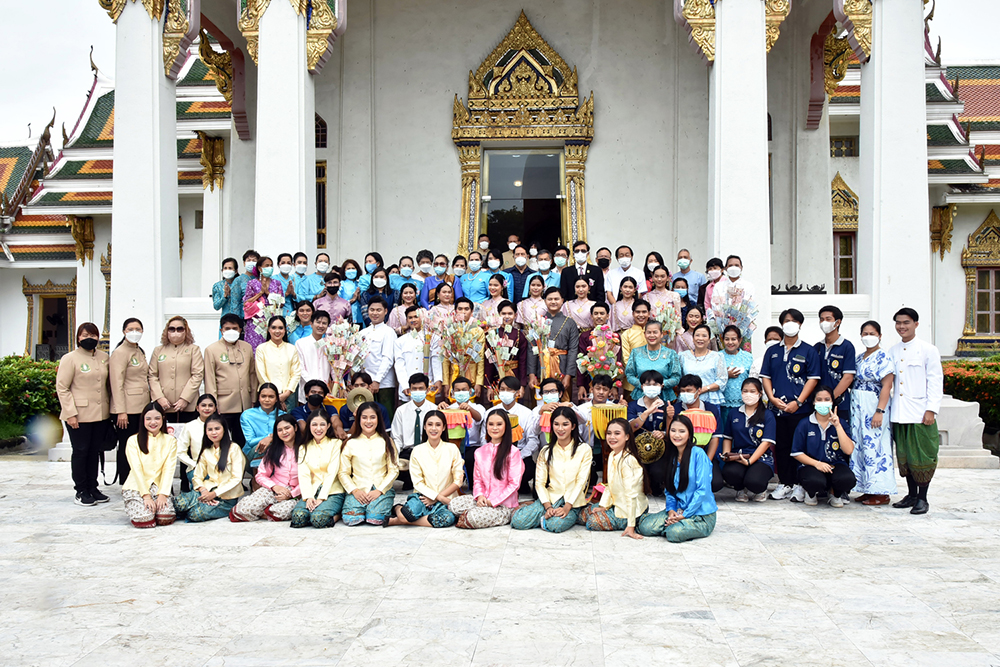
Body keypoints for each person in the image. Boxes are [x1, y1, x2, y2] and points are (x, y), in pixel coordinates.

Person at [761, 308, 821, 502]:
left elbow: (812, 379)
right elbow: (766, 377)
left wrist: (799, 401)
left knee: (801, 447)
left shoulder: (809, 351)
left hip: (800, 410)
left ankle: (800, 484)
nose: (790, 323)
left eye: (794, 321)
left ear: (800, 325)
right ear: (781, 324)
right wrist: (771, 398)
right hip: (777, 410)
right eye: (787, 320)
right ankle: (785, 483)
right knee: (782, 446)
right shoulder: (772, 351)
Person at [889, 307, 943, 515]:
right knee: (904, 457)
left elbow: (935, 381)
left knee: (922, 456)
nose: (902, 327)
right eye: (898, 323)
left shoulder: (928, 350)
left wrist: (931, 410)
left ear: (916, 324)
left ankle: (923, 498)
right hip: (899, 413)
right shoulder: (893, 350)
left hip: (920, 414)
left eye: (906, 322)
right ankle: (911, 494)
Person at [56, 322, 112, 506]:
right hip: (78, 415)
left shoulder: (104, 357)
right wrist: (70, 413)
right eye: (85, 335)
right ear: (78, 337)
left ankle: (92, 487)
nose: (90, 338)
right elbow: (62, 388)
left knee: (94, 451)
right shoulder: (70, 358)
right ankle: (81, 490)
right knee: (81, 451)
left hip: (100, 414)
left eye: (93, 335)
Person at [511, 406, 592, 533]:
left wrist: (567, 507)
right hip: (550, 498)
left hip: (572, 502)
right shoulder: (546, 451)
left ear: (573, 426)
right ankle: (547, 516)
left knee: (556, 525)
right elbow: (539, 483)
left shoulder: (584, 449)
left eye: (565, 424)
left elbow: (581, 481)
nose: (560, 429)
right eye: (556, 424)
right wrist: (548, 507)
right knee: (518, 521)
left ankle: (570, 515)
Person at [638, 415, 718, 542]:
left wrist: (685, 515)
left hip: (701, 515)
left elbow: (702, 490)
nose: (677, 435)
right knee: (645, 527)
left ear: (689, 434)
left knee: (673, 533)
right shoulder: (672, 456)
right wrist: (671, 511)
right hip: (678, 511)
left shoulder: (698, 454)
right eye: (673, 430)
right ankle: (673, 524)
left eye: (682, 431)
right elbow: (669, 491)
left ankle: (673, 526)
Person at [449, 409, 525, 529]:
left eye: (499, 424)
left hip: (503, 505)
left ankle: (470, 515)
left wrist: (493, 501)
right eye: (491, 424)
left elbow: (514, 484)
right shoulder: (479, 452)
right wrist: (480, 496)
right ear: (486, 427)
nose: (494, 428)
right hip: (484, 499)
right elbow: (477, 480)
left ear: (506, 426)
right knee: (454, 505)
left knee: (473, 517)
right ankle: (470, 513)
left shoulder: (513, 452)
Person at [389, 410, 464, 528]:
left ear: (444, 427)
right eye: (430, 424)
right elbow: (418, 482)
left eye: (438, 425)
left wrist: (438, 498)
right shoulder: (417, 450)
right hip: (423, 497)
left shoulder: (452, 449)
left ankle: (397, 521)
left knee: (447, 519)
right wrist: (434, 496)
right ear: (424, 427)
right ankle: (398, 508)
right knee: (406, 514)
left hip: (447, 499)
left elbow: (458, 480)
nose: (433, 428)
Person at [850, 320, 897, 505]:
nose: (868, 337)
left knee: (876, 446)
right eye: (865, 333)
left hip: (873, 403)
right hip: (857, 406)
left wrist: (880, 411)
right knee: (860, 445)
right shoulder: (859, 357)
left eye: (872, 333)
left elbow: (887, 385)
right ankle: (867, 488)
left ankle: (881, 491)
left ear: (879, 336)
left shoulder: (883, 357)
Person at [578, 418, 648, 539]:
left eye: (617, 433)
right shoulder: (612, 454)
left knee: (592, 522)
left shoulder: (629, 460)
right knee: (582, 515)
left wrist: (631, 525)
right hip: (616, 505)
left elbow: (631, 495)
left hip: (630, 512)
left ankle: (635, 523)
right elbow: (609, 485)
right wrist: (604, 506)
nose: (612, 437)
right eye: (609, 433)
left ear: (627, 437)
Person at [172, 414, 246, 522]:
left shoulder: (234, 449)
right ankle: (197, 505)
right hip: (206, 492)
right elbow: (197, 476)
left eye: (217, 429)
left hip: (226, 498)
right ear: (206, 432)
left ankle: (200, 507)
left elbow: (237, 478)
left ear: (224, 430)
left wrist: (214, 494)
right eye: (210, 429)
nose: (214, 432)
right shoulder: (206, 451)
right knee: (178, 504)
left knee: (195, 514)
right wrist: (203, 491)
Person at [791, 386, 856, 507]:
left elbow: (848, 450)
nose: (823, 403)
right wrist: (817, 464)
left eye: (827, 399)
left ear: (832, 401)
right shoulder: (805, 423)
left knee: (847, 479)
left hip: (835, 464)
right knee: (814, 481)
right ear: (814, 402)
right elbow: (796, 452)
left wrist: (837, 426)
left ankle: (835, 493)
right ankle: (810, 493)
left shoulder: (841, 423)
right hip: (811, 465)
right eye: (819, 399)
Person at [231, 414, 301, 521]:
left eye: (287, 428)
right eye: (280, 430)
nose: (284, 432)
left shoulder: (306, 449)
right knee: (242, 509)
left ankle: (263, 511)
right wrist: (274, 487)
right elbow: (261, 475)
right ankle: (266, 511)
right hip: (274, 487)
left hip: (296, 493)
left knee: (284, 511)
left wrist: (292, 494)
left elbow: (312, 478)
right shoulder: (273, 450)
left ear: (295, 428)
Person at [339, 402, 400, 526]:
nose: (368, 421)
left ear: (378, 419)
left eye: (372, 417)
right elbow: (343, 472)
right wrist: (354, 491)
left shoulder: (387, 441)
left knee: (375, 518)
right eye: (364, 417)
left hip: (381, 487)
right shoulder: (350, 443)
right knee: (351, 519)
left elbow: (394, 470)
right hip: (357, 489)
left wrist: (379, 490)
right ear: (358, 419)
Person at [203, 314, 258, 445]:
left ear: (241, 329)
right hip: (223, 404)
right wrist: (213, 404)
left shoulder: (247, 347)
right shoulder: (211, 349)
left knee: (243, 441)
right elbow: (210, 378)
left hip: (245, 404)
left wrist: (253, 399)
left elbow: (252, 374)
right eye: (227, 328)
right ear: (221, 330)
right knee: (223, 441)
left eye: (235, 328)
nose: (231, 331)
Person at [121, 403, 177, 528]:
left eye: (157, 418)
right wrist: (146, 496)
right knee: (144, 520)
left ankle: (159, 506)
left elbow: (169, 468)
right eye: (148, 419)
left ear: (163, 418)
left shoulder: (170, 441)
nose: (153, 422)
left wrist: (162, 494)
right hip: (136, 486)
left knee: (164, 517)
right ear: (143, 420)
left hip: (158, 486)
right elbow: (136, 469)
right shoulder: (133, 440)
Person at [110, 318, 151, 484]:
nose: (135, 332)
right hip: (127, 409)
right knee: (127, 446)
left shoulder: (139, 350)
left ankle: (138, 479)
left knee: (139, 445)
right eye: (130, 329)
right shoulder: (120, 352)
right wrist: (121, 410)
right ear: (124, 331)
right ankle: (125, 480)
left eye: (138, 329)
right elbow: (116, 382)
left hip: (141, 407)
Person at [721, 378, 776, 502]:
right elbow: (728, 438)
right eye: (745, 391)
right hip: (739, 456)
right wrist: (727, 454)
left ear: (760, 394)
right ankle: (740, 489)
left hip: (761, 458)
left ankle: (760, 490)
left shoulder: (767, 415)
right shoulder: (734, 413)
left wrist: (750, 461)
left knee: (754, 482)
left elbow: (766, 443)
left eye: (752, 391)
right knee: (729, 472)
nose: (748, 394)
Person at [290, 410, 346, 528]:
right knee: (298, 517)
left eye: (322, 424)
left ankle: (338, 514)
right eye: (314, 424)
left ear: (328, 426)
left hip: (333, 491)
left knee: (318, 519)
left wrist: (321, 497)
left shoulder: (336, 444)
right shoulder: (303, 447)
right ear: (309, 426)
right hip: (312, 490)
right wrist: (308, 496)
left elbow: (332, 472)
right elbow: (304, 474)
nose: (318, 429)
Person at [487, 376, 540, 493]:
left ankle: (521, 485)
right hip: (495, 453)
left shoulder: (526, 413)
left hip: (519, 452)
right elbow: (483, 437)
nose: (505, 392)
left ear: (517, 393)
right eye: (502, 389)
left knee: (529, 468)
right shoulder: (490, 412)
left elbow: (533, 440)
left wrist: (519, 455)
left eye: (509, 390)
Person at [672, 374, 724, 493]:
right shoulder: (676, 409)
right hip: (681, 456)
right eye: (683, 391)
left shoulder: (711, 409)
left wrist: (706, 462)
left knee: (715, 483)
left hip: (704, 453)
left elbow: (715, 438)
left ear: (699, 390)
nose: (686, 394)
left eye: (689, 390)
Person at [148, 316, 204, 424]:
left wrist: (185, 399)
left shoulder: (194, 349)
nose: (175, 332)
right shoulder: (158, 350)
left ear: (185, 331)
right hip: (164, 405)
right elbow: (152, 375)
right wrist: (159, 398)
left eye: (179, 329)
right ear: (167, 331)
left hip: (188, 405)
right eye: (172, 329)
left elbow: (197, 374)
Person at [627, 370, 672, 495]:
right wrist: (647, 412)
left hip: (659, 451)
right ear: (642, 386)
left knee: (657, 474)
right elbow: (632, 427)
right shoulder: (633, 406)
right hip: (637, 450)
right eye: (647, 384)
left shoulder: (667, 406)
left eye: (656, 384)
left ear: (662, 386)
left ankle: (658, 485)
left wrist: (663, 434)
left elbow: (672, 432)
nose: (651, 387)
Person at [815, 305, 856, 437]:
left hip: (840, 404)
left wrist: (830, 399)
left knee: (840, 437)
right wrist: (821, 401)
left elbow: (848, 377)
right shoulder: (817, 347)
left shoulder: (846, 347)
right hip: (819, 404)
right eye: (821, 319)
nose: (824, 322)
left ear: (837, 322)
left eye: (828, 319)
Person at [390, 372, 434, 490]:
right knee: (403, 467)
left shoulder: (434, 410)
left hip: (428, 450)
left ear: (427, 390)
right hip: (408, 452)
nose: (417, 391)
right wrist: (394, 457)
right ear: (409, 390)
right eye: (414, 389)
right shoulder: (401, 411)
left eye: (421, 388)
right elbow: (396, 437)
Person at [437, 375, 488, 476]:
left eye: (464, 390)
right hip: (452, 446)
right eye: (458, 390)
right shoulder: (449, 408)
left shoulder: (478, 407)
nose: (461, 393)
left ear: (470, 392)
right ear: (453, 393)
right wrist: (440, 411)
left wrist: (469, 409)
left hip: (472, 446)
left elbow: (479, 418)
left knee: (472, 460)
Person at [486, 301, 535, 401]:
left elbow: (522, 361)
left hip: (514, 375)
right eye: (503, 314)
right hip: (496, 377)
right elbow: (489, 363)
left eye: (510, 313)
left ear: (515, 315)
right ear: (498, 314)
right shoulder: (492, 334)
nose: (506, 316)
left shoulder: (519, 335)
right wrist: (489, 386)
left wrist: (522, 385)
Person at [394, 306, 444, 402]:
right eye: (410, 317)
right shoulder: (400, 341)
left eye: (416, 317)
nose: (413, 320)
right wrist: (404, 385)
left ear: (422, 317)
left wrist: (438, 380)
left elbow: (436, 361)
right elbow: (399, 365)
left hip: (428, 386)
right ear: (407, 320)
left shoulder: (433, 338)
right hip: (408, 388)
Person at [359, 296, 398, 419]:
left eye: (378, 310)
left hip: (384, 384)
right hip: (365, 384)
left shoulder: (389, 332)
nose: (375, 313)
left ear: (385, 311)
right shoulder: (362, 333)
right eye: (372, 310)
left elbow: (388, 359)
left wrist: (377, 380)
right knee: (366, 416)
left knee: (385, 416)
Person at [538, 287, 579, 401]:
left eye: (556, 299)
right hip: (541, 366)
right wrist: (531, 374)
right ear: (545, 301)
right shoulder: (538, 321)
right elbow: (532, 349)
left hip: (562, 367)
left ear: (562, 301)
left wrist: (568, 375)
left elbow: (573, 350)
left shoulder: (570, 323)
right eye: (549, 299)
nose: (553, 302)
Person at [625, 320, 681, 403]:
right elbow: (629, 374)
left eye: (655, 332)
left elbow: (676, 377)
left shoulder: (670, 353)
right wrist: (644, 386)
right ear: (644, 334)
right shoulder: (636, 352)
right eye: (649, 332)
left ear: (662, 334)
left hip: (664, 396)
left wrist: (659, 385)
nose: (652, 335)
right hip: (641, 394)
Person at [254, 315, 302, 410]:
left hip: (289, 395)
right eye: (273, 327)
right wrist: (274, 395)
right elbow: (261, 374)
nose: (277, 331)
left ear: (285, 330)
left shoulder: (292, 348)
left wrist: (286, 394)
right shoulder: (261, 349)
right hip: (267, 396)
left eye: (280, 328)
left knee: (287, 423)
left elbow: (296, 373)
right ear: (268, 330)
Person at [174, 394, 218, 493]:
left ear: (215, 408)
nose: (207, 408)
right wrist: (194, 464)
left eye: (210, 405)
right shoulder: (190, 426)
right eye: (203, 405)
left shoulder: (221, 426)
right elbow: (180, 451)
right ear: (197, 408)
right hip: (197, 470)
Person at [442, 298, 485, 398]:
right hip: (454, 374)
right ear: (455, 311)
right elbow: (446, 358)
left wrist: (479, 382)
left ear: (472, 311)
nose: (463, 312)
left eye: (466, 309)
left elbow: (480, 358)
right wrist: (445, 382)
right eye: (460, 309)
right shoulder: (449, 330)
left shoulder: (478, 331)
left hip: (472, 374)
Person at [679, 324, 728, 408]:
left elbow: (722, 381)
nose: (700, 338)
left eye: (704, 336)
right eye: (697, 335)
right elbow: (679, 378)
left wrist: (703, 389)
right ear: (693, 339)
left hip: (710, 399)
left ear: (709, 340)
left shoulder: (717, 356)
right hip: (688, 400)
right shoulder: (683, 356)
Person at [243, 256, 284, 351]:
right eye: (267, 265)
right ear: (260, 268)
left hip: (272, 320)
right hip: (256, 322)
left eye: (271, 265)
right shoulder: (252, 283)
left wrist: (267, 293)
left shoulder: (277, 283)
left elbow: (281, 303)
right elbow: (247, 302)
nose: (269, 268)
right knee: (255, 349)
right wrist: (261, 293)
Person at [240, 383, 286, 470]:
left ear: (276, 399)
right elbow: (250, 441)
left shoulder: (283, 416)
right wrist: (270, 437)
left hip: (276, 455)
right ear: (259, 398)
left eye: (271, 397)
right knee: (262, 446)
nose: (267, 400)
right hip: (251, 454)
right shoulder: (247, 415)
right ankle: (257, 479)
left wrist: (271, 438)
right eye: (263, 396)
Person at [574, 302, 611, 401]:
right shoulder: (585, 336)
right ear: (591, 316)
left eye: (602, 313)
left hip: (609, 381)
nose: (599, 316)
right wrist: (581, 385)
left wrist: (615, 386)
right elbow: (581, 361)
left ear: (607, 315)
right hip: (588, 380)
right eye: (596, 313)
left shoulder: (613, 337)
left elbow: (617, 360)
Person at [295, 309, 332, 404]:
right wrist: (314, 386)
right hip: (307, 393)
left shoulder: (330, 344)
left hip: (325, 394)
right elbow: (300, 368)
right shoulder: (301, 343)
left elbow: (334, 368)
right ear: (311, 323)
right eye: (318, 322)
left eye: (324, 323)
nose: (321, 326)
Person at [719, 325, 754, 426]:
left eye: (733, 339)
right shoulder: (717, 356)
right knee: (725, 435)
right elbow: (712, 378)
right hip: (723, 404)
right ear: (722, 339)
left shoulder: (748, 357)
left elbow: (752, 378)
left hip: (744, 404)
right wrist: (726, 375)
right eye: (727, 339)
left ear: (740, 340)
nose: (730, 342)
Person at [620, 300, 652, 393]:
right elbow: (626, 359)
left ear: (649, 314)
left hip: (653, 381)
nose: (641, 315)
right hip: (632, 383)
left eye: (644, 312)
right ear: (633, 314)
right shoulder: (626, 334)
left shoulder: (655, 333)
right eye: (638, 312)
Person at [340, 258, 363, 323]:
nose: (351, 270)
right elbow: (338, 302)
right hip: (346, 317)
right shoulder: (341, 284)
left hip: (360, 318)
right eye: (348, 269)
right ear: (344, 271)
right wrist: (352, 300)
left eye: (353, 268)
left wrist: (359, 298)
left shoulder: (360, 284)